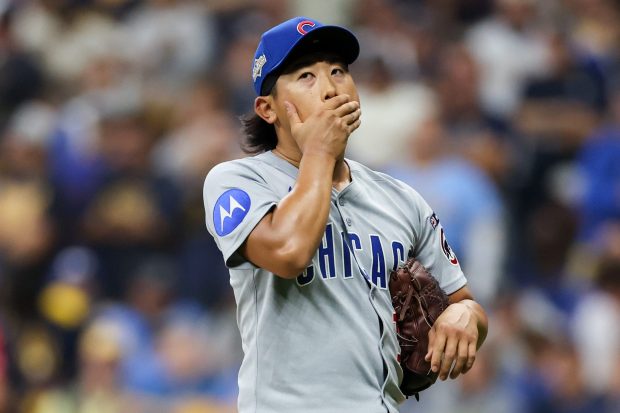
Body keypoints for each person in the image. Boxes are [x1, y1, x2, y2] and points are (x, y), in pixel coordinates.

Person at [202, 16, 488, 413]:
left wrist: (463, 316)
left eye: (338, 71)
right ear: (267, 109)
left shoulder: (399, 197)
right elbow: (287, 253)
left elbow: (468, 303)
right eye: (306, 76)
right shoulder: (238, 181)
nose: (331, 86)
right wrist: (319, 152)